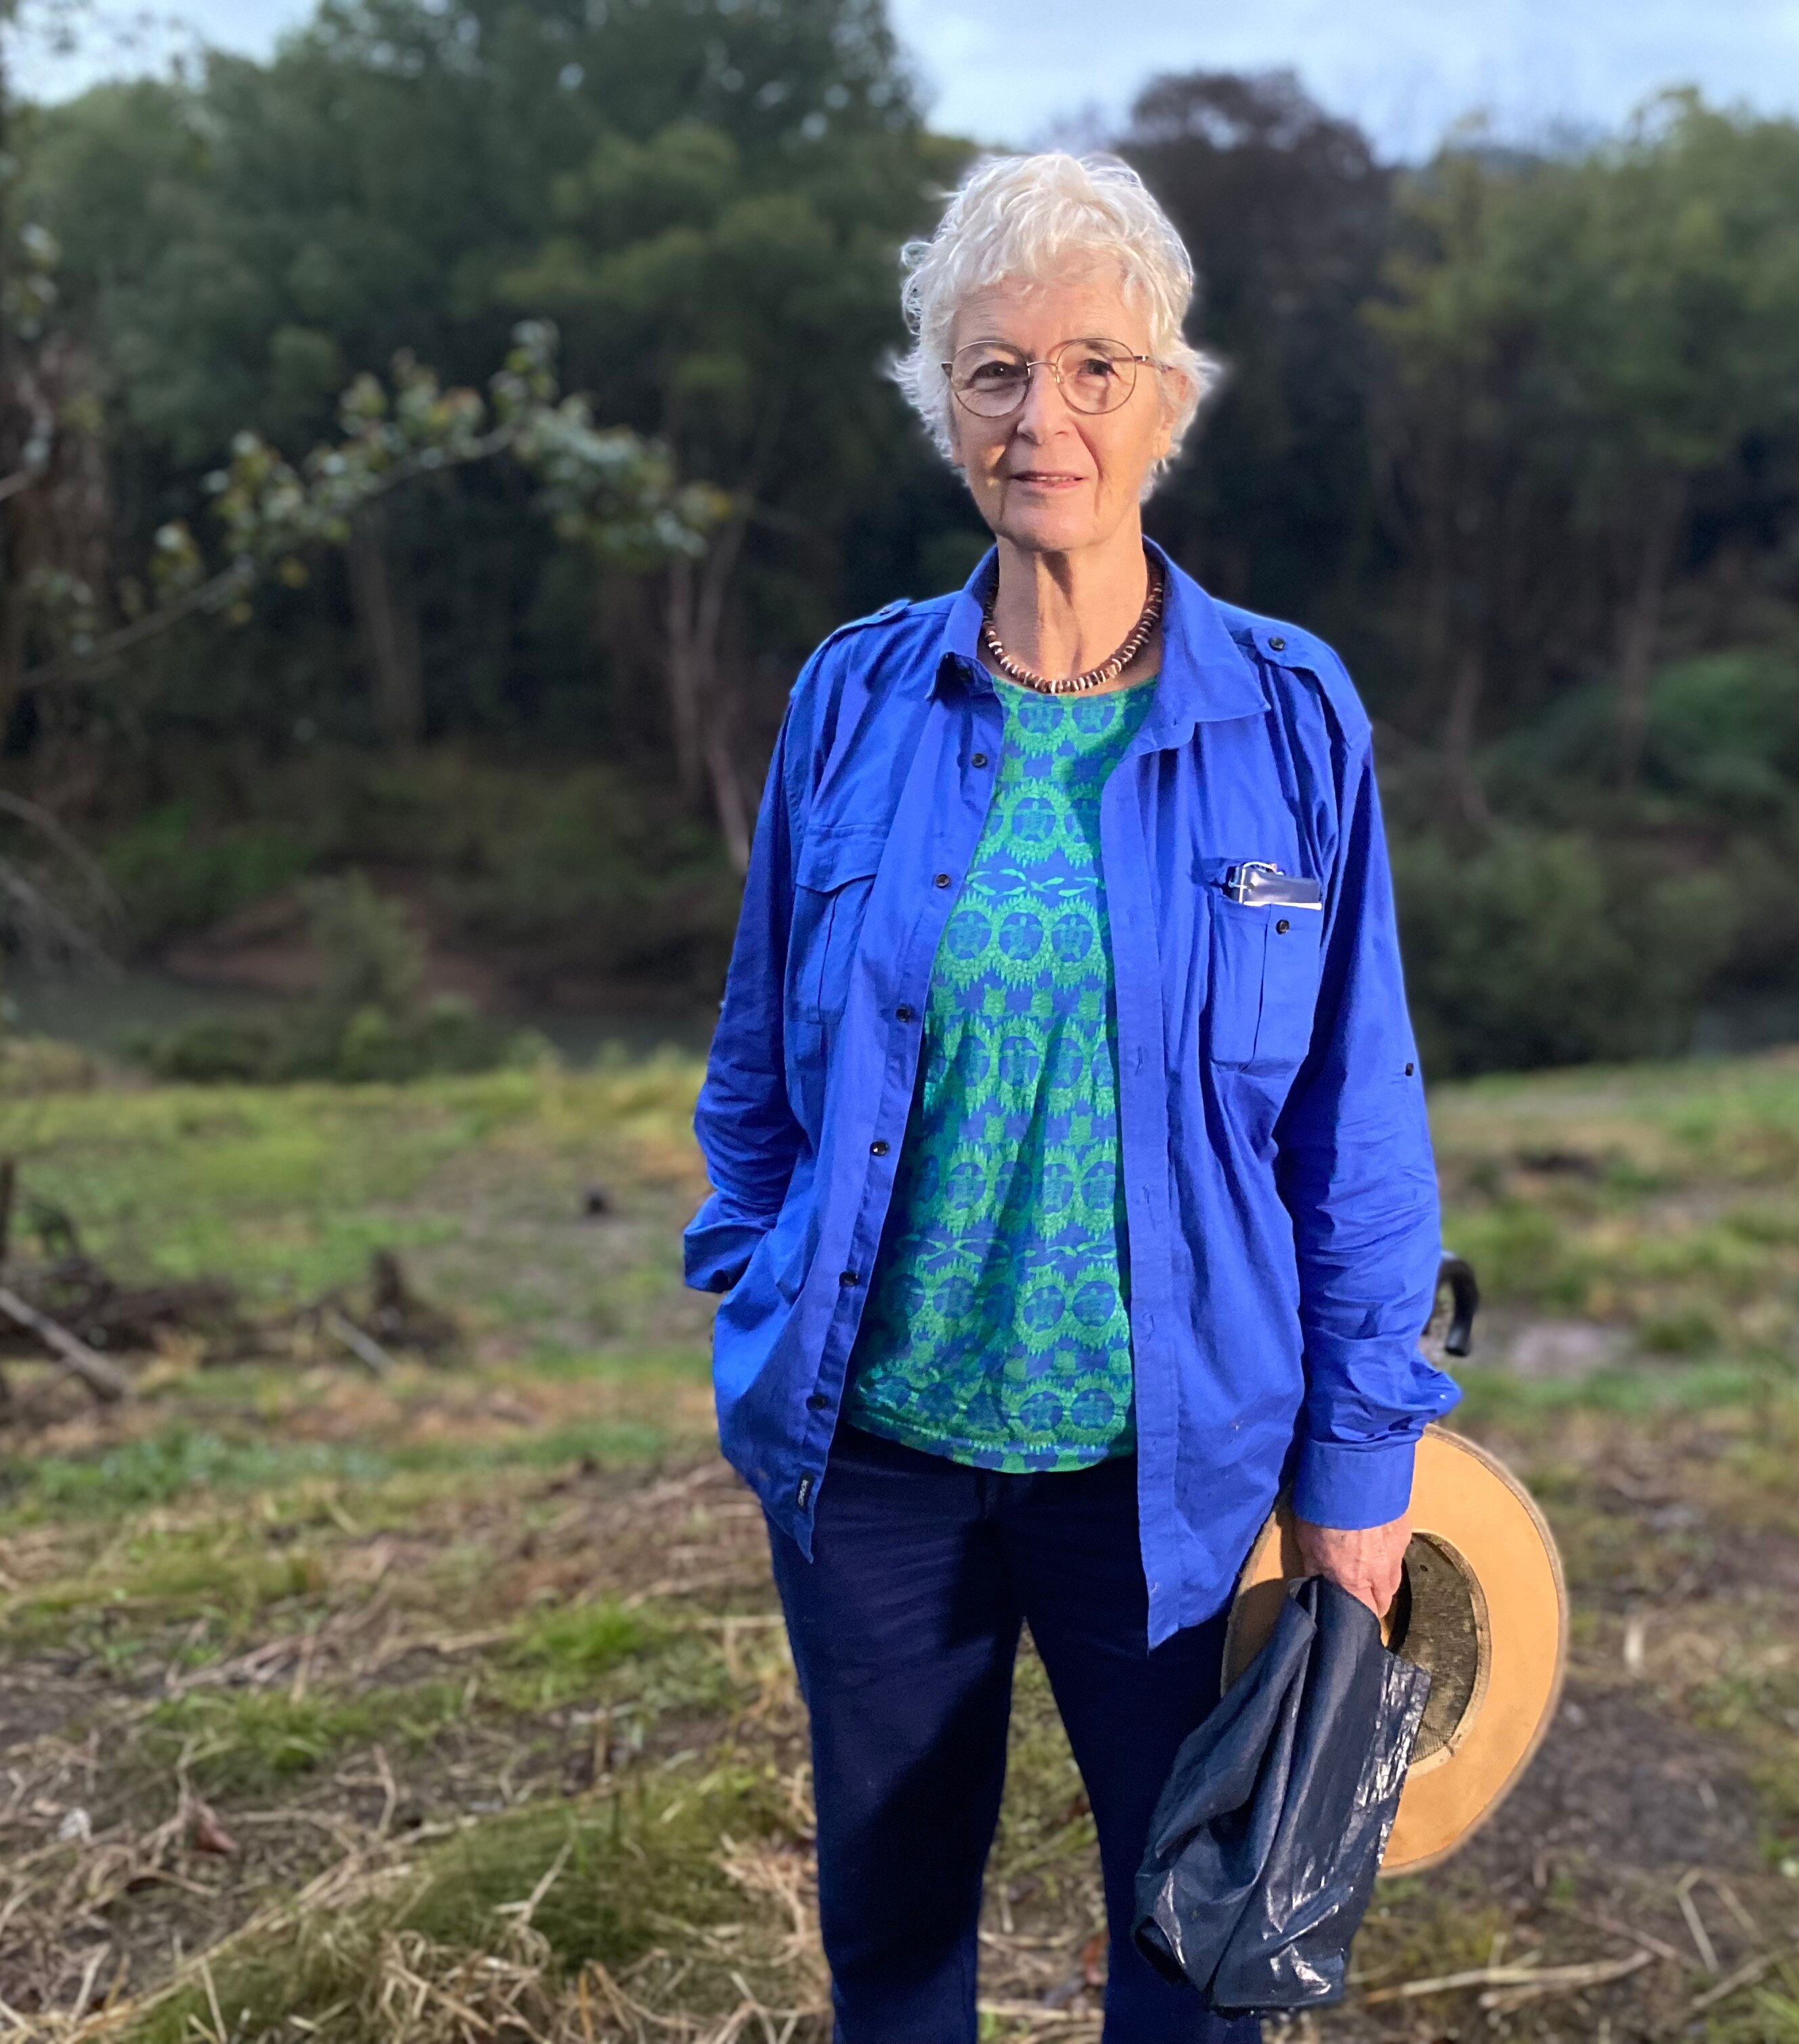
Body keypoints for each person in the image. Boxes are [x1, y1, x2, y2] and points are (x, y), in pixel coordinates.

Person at [683, 149, 1456, 2043]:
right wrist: (754, 1276)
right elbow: (756, 1061)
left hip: (1170, 1477)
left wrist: (1361, 1462)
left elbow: (1355, 1115)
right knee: (889, 1939)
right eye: (996, 370)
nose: (1046, 418)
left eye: (1095, 367)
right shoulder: (850, 701)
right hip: (879, 1463)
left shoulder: (1293, 717)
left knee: (1197, 1954)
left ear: (1167, 399)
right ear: (943, 402)